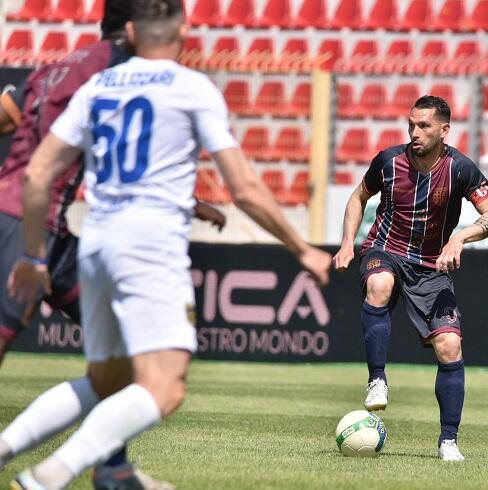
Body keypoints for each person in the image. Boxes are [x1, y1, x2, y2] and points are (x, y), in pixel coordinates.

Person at [4, 0, 332, 488]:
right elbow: (243, 187)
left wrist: (34, 254)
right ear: (182, 28)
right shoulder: (191, 87)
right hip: (149, 245)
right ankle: (49, 477)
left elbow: (37, 173)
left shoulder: (98, 84)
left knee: (107, 381)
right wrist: (301, 248)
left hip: (94, 240)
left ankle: (29, 452)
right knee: (165, 386)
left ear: (132, 31)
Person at [0, 3, 206, 488]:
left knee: (125, 359)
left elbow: (7, 117)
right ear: (137, 29)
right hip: (26, 226)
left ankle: (112, 468)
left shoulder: (59, 66)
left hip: (54, 236)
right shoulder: (115, 70)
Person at [332, 95, 488, 462]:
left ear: (444, 130)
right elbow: (358, 196)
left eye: (424, 126)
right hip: (386, 249)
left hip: (431, 267)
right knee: (379, 285)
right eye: (411, 124)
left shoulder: (461, 169)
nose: (414, 132)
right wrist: (348, 243)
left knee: (449, 347)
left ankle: (448, 441)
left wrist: (459, 237)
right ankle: (377, 379)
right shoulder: (388, 161)